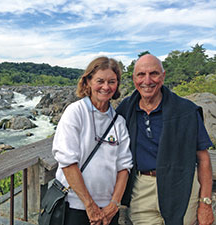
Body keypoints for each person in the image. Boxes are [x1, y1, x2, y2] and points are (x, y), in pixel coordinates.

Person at [116, 54, 214, 225]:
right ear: (133, 79)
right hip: (142, 189)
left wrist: (205, 203)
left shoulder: (186, 111)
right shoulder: (126, 109)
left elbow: (203, 158)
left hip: (181, 185)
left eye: (153, 73)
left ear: (163, 76)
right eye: (141, 75)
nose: (147, 80)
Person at [52, 56, 133, 225]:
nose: (106, 87)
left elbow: (124, 166)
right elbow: (67, 161)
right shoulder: (75, 112)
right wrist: (90, 206)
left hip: (108, 210)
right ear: (88, 81)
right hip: (75, 206)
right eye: (100, 81)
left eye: (112, 81)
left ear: (117, 84)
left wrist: (114, 205)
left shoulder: (119, 122)